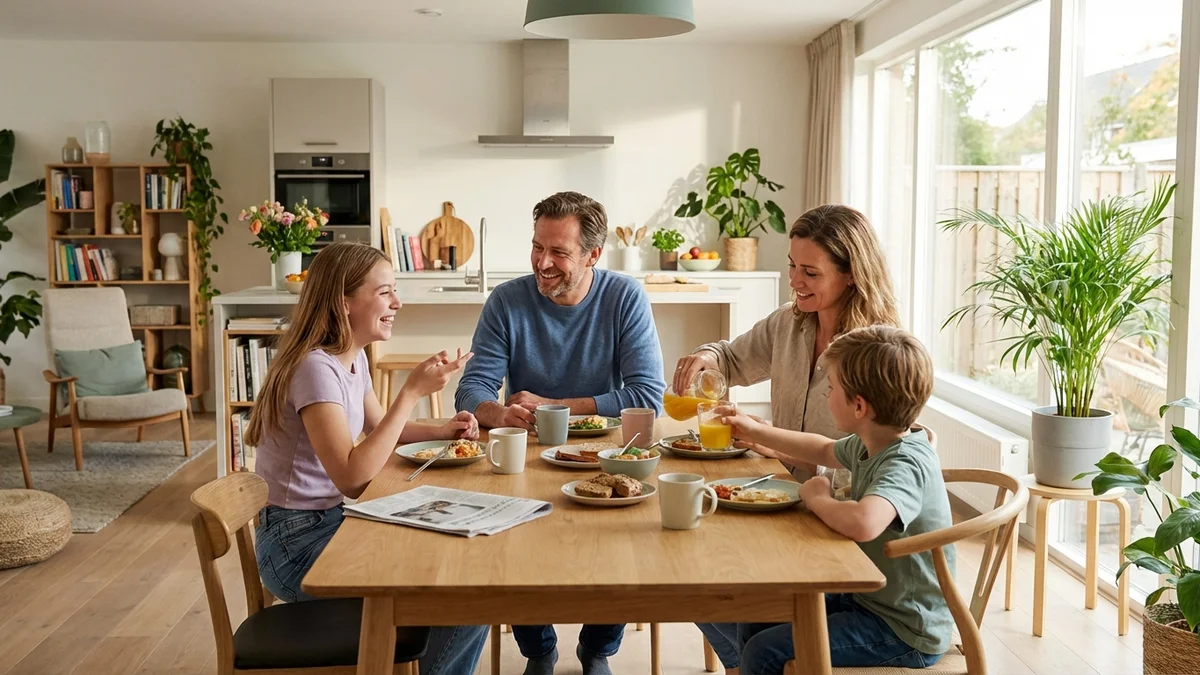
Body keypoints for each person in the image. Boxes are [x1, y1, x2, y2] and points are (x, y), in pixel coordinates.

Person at [246, 241, 489, 675]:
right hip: (295, 545)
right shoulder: (315, 368)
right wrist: (411, 391)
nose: (397, 302)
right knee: (465, 594)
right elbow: (354, 478)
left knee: (456, 569)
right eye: (385, 292)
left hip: (328, 525)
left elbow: (381, 432)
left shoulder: (350, 358)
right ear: (344, 302)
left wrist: (443, 429)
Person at [454, 191, 667, 675]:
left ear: (593, 255)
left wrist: (556, 407)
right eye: (536, 247)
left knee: (617, 538)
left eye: (559, 253)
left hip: (606, 453)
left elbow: (646, 396)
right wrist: (493, 410)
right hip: (528, 451)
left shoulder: (623, 296)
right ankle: (539, 649)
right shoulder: (507, 300)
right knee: (512, 534)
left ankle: (597, 649)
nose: (542, 263)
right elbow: (471, 390)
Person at [702, 325, 953, 673]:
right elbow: (821, 448)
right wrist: (755, 429)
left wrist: (817, 496)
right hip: (868, 600)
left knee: (764, 651)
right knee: (754, 618)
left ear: (859, 406)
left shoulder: (904, 461)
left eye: (832, 388)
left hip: (902, 629)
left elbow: (864, 523)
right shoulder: (877, 440)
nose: (826, 395)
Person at [673, 204, 901, 479]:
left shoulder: (881, 354)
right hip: (777, 488)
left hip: (839, 508)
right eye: (792, 265)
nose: (794, 281)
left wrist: (776, 445)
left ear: (852, 274)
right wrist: (707, 358)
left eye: (810, 273)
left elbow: (878, 470)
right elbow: (731, 360)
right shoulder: (787, 322)